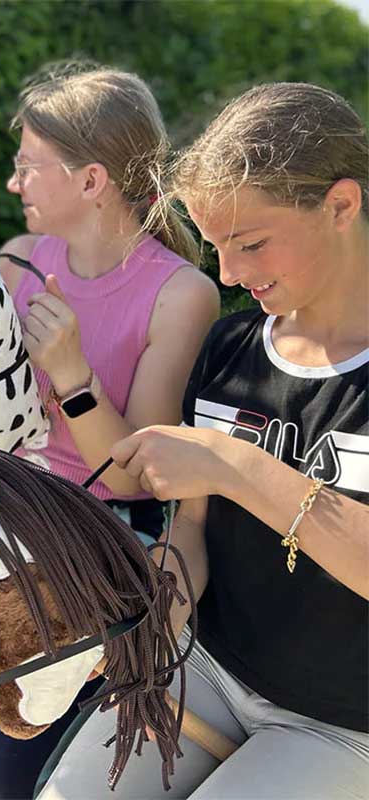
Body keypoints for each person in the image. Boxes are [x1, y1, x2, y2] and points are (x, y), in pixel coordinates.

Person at [38, 81, 369, 800]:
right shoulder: (229, 347)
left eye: (250, 243)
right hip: (208, 668)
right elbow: (193, 529)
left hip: (343, 723)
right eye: (217, 246)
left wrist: (230, 461)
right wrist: (157, 614)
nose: (228, 274)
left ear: (341, 205)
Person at [0, 61, 220, 800]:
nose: (14, 185)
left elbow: (139, 475)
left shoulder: (181, 294)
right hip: (8, 514)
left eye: (29, 167)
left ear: (92, 181)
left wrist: (73, 379)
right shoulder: (22, 260)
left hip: (104, 536)